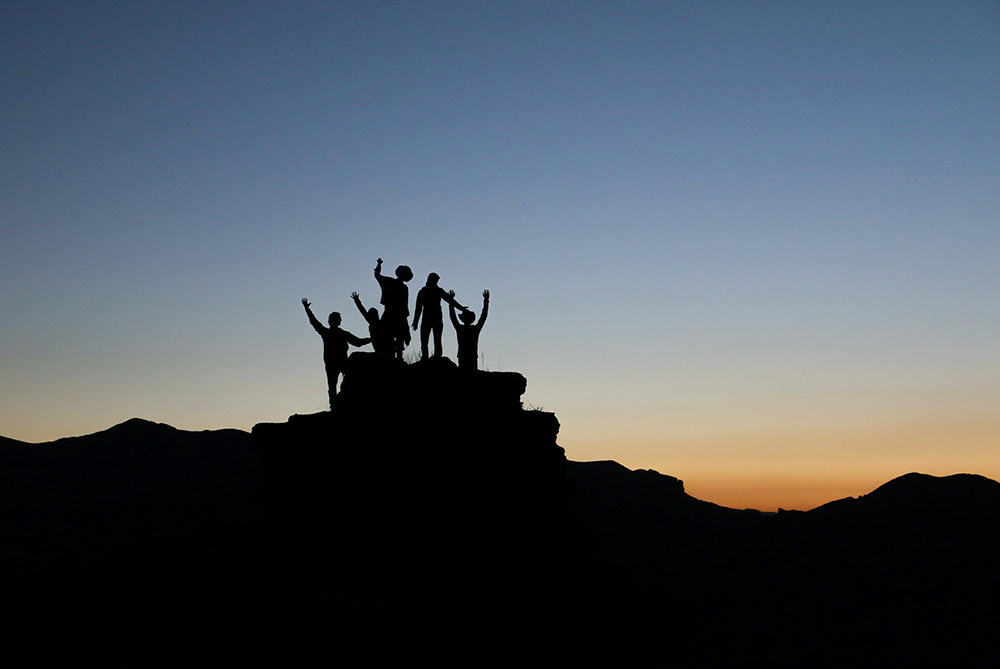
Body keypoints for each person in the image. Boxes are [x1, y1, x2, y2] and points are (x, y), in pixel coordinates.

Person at [302, 298, 370, 408]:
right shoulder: (331, 333)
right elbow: (314, 322)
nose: (339, 321)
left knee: (336, 385)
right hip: (334, 363)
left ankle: (338, 404)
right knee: (334, 385)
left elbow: (358, 342)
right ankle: (336, 405)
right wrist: (307, 309)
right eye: (338, 319)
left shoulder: (334, 333)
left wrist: (370, 339)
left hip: (337, 363)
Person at [411, 273, 468, 360]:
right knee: (426, 340)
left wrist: (461, 308)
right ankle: (426, 357)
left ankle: (436, 356)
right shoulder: (425, 291)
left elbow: (450, 300)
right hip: (429, 318)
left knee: (435, 339)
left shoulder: (434, 291)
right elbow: (418, 307)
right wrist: (415, 321)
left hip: (435, 318)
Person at [374, 258, 413, 360]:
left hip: (398, 315)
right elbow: (377, 276)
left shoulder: (403, 287)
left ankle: (397, 358)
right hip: (392, 314)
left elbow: (404, 304)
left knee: (398, 339)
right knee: (389, 337)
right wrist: (379, 265)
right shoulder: (390, 282)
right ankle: (392, 358)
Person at [449, 289, 489, 371]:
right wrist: (486, 301)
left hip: (463, 355)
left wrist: (451, 301)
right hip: (471, 355)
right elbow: (483, 316)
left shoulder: (460, 329)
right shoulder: (475, 329)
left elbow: (452, 316)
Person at [351, 291, 391, 359]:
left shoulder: (380, 323)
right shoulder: (375, 323)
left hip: (384, 348)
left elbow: (363, 311)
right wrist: (357, 301)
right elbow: (363, 311)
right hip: (380, 349)